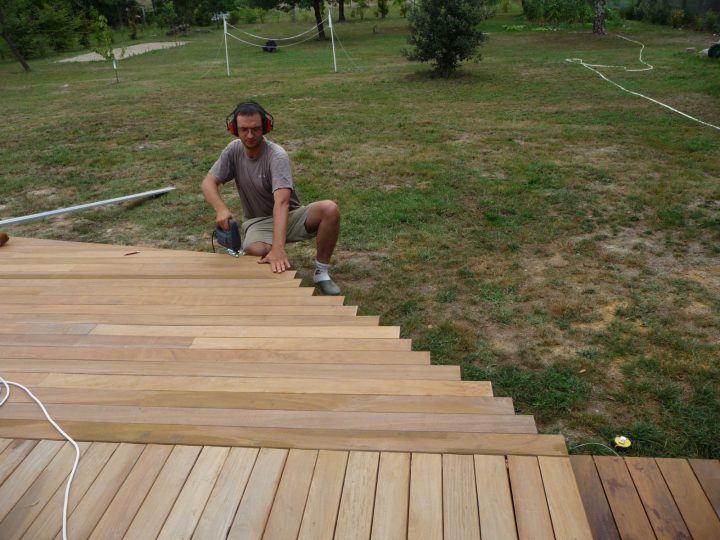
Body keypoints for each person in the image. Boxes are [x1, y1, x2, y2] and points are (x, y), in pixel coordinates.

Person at [201, 101, 341, 295]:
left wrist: (278, 247)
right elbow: (208, 183)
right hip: (258, 222)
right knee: (255, 251)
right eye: (244, 130)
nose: (249, 135)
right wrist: (221, 208)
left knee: (329, 209)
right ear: (234, 129)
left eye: (255, 129)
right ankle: (274, 260)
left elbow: (282, 202)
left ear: (266, 127)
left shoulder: (277, 156)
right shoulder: (233, 150)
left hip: (291, 216)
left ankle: (321, 273)